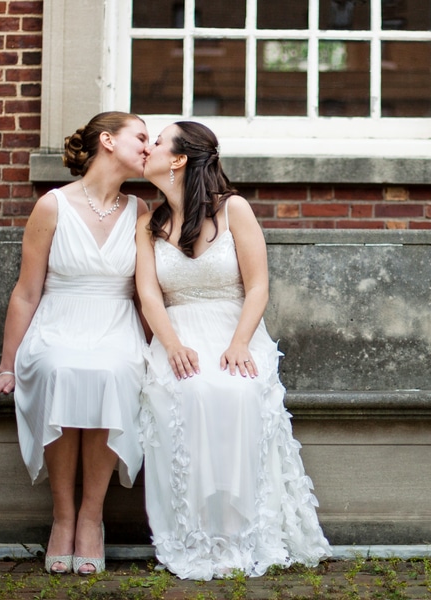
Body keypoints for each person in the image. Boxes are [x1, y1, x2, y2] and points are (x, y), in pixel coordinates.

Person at [135, 121, 332, 580]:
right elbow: (148, 294)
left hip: (233, 328)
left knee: (237, 393)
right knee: (190, 394)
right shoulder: (149, 221)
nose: (149, 148)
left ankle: (240, 531)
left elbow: (258, 284)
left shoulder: (233, 209)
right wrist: (171, 344)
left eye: (158, 142)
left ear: (180, 158)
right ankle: (194, 533)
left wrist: (240, 341)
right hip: (177, 330)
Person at [0, 111, 150, 576]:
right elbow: (27, 291)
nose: (150, 148)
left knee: (110, 372)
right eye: (142, 138)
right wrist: (7, 366)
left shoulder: (141, 211)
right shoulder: (52, 205)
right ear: (108, 141)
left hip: (115, 324)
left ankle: (92, 518)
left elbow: (147, 292)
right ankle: (63, 516)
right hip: (58, 321)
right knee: (60, 369)